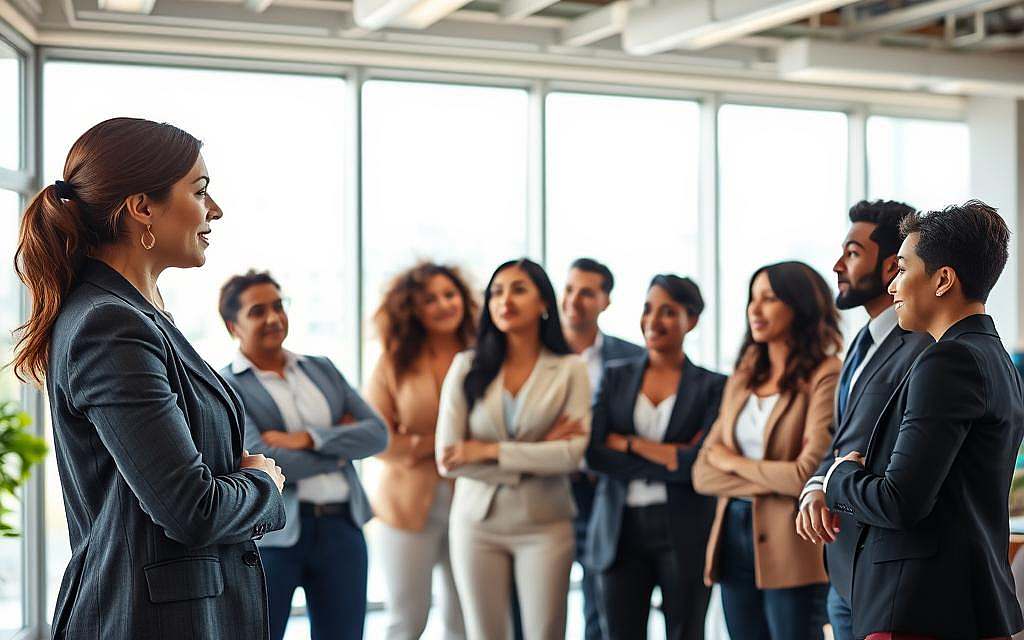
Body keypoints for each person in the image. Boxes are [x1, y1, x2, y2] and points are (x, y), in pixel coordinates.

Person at [13, 118, 286, 639]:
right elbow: (191, 509)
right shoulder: (109, 324)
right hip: (146, 620)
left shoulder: (132, 312)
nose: (216, 210)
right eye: (200, 191)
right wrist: (264, 484)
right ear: (142, 207)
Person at [824, 201, 1024, 640]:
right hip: (964, 602)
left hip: (918, 607)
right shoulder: (996, 358)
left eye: (903, 269)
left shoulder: (947, 360)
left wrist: (840, 476)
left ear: (943, 280)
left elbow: (901, 501)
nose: (893, 286)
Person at [218, 270, 387, 640]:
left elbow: (377, 434)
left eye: (279, 306)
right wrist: (340, 450)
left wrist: (307, 439)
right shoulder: (227, 387)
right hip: (274, 537)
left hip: (343, 528)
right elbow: (261, 461)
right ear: (234, 326)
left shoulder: (321, 368)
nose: (274, 318)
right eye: (258, 311)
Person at [793, 200, 932, 640]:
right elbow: (842, 439)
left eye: (852, 253)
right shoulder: (861, 341)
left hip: (886, 569)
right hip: (842, 561)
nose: (837, 265)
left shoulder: (924, 347)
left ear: (892, 265)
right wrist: (816, 485)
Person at [436, 258, 590, 640]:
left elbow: (571, 454)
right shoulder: (467, 366)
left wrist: (488, 451)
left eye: (519, 289)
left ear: (544, 304)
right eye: (497, 292)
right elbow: (449, 458)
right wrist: (537, 453)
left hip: (545, 524)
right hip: (477, 525)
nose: (505, 300)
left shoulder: (571, 369)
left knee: (545, 633)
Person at [692, 261, 841, 640]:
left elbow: (805, 475)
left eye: (769, 299)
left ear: (800, 305)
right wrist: (771, 476)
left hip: (793, 544)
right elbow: (703, 474)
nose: (754, 310)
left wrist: (733, 463)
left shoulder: (825, 374)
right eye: (752, 299)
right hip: (732, 539)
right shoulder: (743, 376)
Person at [586, 274, 726, 640]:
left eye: (668, 311)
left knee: (686, 632)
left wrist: (630, 444)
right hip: (619, 529)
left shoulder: (713, 386)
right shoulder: (616, 377)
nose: (653, 320)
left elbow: (698, 463)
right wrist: (669, 458)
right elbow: (595, 453)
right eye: (648, 309)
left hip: (684, 528)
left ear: (690, 320)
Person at [366, 261, 477, 640]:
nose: (445, 304)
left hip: (477, 502)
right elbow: (377, 439)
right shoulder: (393, 361)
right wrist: (447, 447)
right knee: (407, 619)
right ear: (412, 309)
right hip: (406, 508)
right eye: (431, 299)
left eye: (450, 294)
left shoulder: (484, 356)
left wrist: (416, 443)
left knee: (465, 619)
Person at [561, 257, 644, 640]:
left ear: (605, 301)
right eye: (570, 289)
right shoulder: (538, 355)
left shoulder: (631, 358)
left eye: (587, 292)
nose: (575, 299)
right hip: (549, 490)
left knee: (601, 603)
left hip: (604, 490)